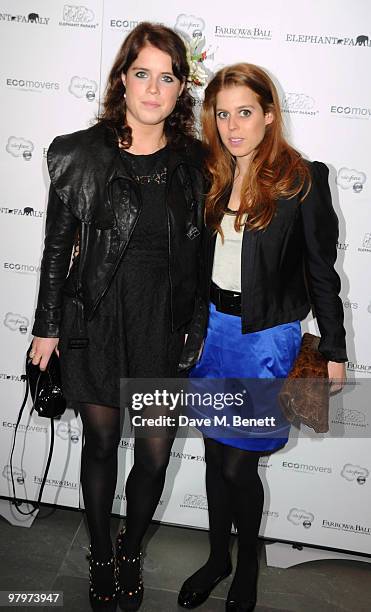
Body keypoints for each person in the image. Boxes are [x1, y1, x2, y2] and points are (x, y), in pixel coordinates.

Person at [29, 22, 206, 612]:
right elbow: (57, 248)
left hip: (163, 320)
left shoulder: (197, 164)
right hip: (97, 317)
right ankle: (102, 557)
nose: (153, 89)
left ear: (181, 88)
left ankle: (132, 551)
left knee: (155, 453)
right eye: (142, 74)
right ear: (122, 80)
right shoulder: (80, 155)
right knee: (101, 444)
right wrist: (46, 327)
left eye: (167, 77)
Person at [177, 63, 347, 612]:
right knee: (212, 455)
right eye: (222, 114)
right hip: (210, 332)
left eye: (244, 112)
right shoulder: (207, 173)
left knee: (237, 463)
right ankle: (216, 557)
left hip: (265, 339)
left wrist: (336, 350)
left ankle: (246, 563)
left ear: (269, 114)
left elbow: (322, 271)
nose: (232, 126)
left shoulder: (304, 178)